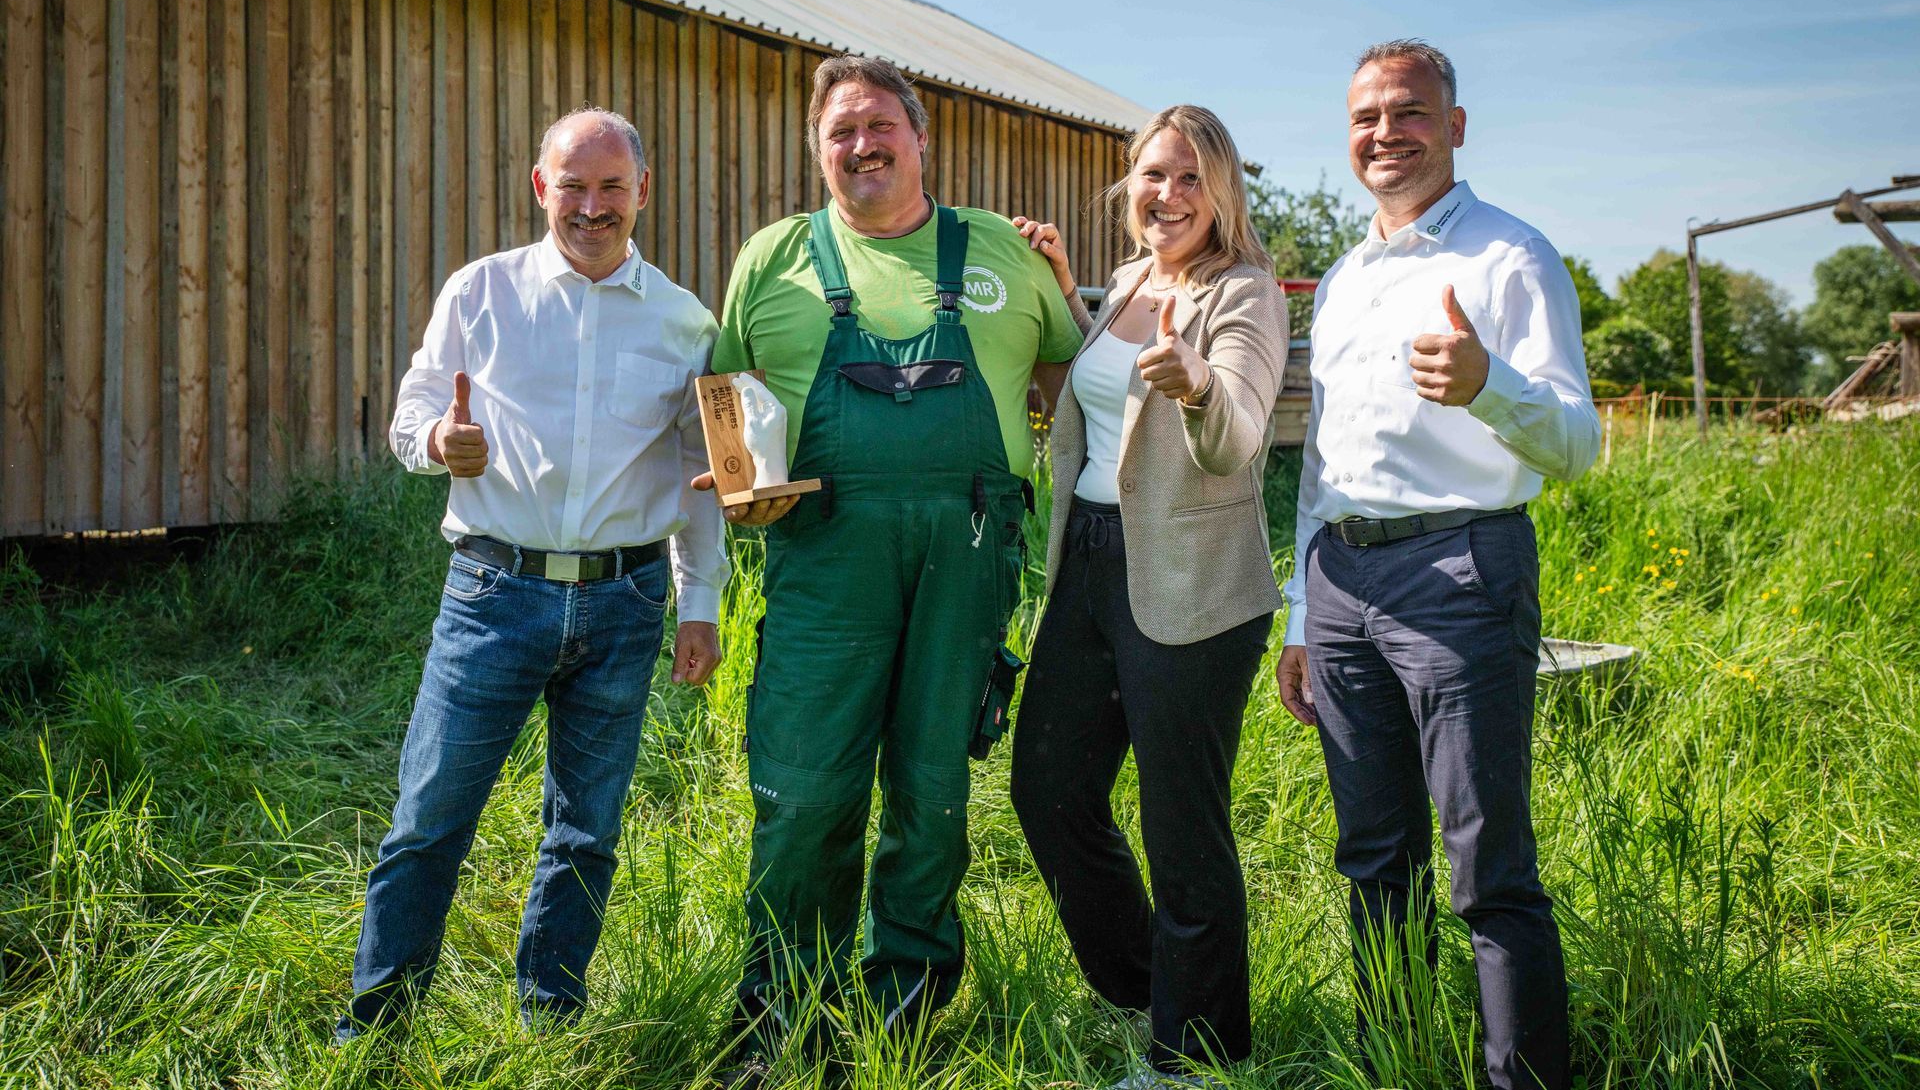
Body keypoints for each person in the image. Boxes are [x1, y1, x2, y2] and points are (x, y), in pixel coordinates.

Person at [701, 55, 1082, 1083]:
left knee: (930, 793)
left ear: (921, 138)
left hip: (966, 556)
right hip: (825, 561)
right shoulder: (773, 259)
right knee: (806, 792)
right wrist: (740, 479)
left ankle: (899, 1016)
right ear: (819, 149)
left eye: (879, 127)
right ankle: (784, 1015)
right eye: (840, 132)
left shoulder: (999, 250)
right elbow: (729, 394)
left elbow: (1071, 377)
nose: (861, 146)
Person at [336, 108, 728, 1040]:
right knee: (430, 816)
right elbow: (411, 418)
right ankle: (376, 1028)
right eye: (572, 186)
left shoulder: (684, 321)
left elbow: (699, 477)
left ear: (644, 192)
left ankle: (550, 1018)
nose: (591, 208)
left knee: (586, 830)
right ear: (539, 186)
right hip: (493, 593)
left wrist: (698, 603)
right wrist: (442, 440)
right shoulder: (481, 292)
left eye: (611, 188)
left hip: (626, 598)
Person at [1275, 40, 1599, 1090]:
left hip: (1460, 571)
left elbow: (1578, 444)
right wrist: (1297, 616)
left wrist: (1487, 384)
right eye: (1367, 115)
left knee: (1487, 870)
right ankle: (1394, 1061)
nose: (1385, 133)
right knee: (1373, 859)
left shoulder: (1509, 257)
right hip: (1342, 582)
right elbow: (1322, 461)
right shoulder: (1342, 278)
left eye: (1409, 112)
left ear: (1454, 127)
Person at [1008, 105, 1289, 1087]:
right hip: (1086, 564)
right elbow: (1104, 399)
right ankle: (1153, 984)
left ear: (1221, 195)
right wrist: (1059, 294)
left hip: (1193, 581)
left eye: (1188, 179)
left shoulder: (1243, 294)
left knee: (1181, 823)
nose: (1165, 195)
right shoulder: (1128, 282)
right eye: (1153, 175)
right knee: (1046, 788)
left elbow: (1240, 430)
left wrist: (1199, 383)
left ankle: (1194, 1055)